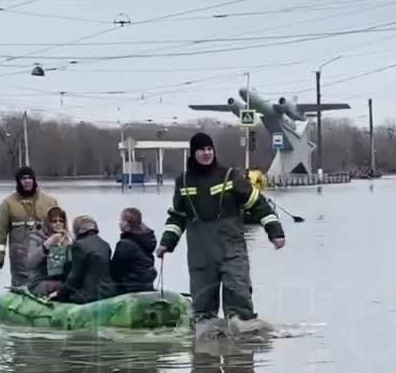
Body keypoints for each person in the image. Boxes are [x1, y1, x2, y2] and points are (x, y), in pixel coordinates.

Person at [155, 132, 285, 327]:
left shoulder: (229, 176)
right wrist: (166, 243)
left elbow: (257, 203)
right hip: (201, 255)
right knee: (203, 310)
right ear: (193, 153)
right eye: (201, 150)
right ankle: (206, 354)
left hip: (231, 250)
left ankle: (241, 351)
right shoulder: (183, 181)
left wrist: (275, 232)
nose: (206, 153)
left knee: (239, 299)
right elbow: (177, 217)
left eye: (209, 149)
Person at [0, 166, 59, 288]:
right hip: (20, 259)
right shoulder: (8, 204)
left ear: (34, 180)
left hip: (44, 256)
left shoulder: (49, 202)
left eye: (30, 178)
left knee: (45, 285)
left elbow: (60, 227)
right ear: (18, 182)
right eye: (23, 178)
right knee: (21, 286)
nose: (27, 181)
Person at [52, 215, 113, 304]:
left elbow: (74, 277)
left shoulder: (79, 246)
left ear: (77, 229)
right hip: (108, 293)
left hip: (89, 296)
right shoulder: (105, 244)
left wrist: (59, 293)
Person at [109, 206, 157, 294]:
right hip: (146, 286)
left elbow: (115, 271)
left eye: (121, 220)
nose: (119, 223)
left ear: (127, 223)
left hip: (131, 289)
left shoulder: (125, 244)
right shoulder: (146, 239)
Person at [29, 206, 72, 296]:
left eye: (61, 221)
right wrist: (47, 245)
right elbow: (30, 262)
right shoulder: (36, 237)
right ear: (48, 223)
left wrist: (67, 244)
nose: (58, 223)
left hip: (61, 279)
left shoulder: (69, 238)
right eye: (54, 221)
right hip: (40, 282)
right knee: (63, 287)